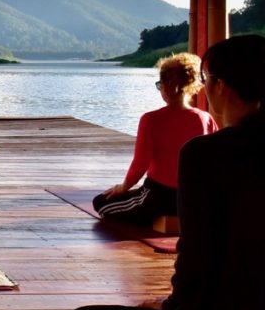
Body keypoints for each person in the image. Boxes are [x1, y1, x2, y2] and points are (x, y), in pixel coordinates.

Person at [67, 35, 265, 310]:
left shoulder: (203, 154)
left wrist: (169, 305)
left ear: (221, 86)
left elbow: (196, 255)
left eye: (207, 79)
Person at [92, 53, 216, 226]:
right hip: (192, 198)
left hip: (159, 197)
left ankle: (146, 215)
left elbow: (140, 164)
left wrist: (122, 188)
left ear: (164, 87)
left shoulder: (151, 119)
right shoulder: (206, 119)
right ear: (192, 85)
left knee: (101, 203)